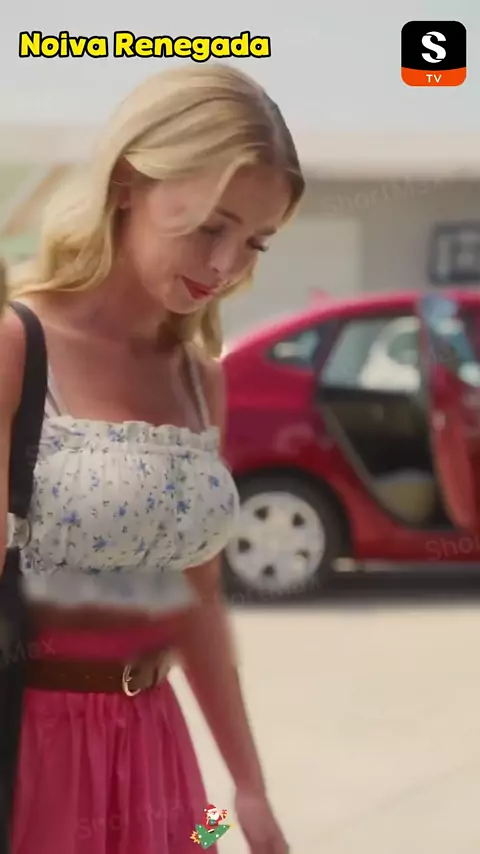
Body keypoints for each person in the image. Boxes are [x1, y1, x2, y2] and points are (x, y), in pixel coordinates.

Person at [0, 61, 305, 854]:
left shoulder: (203, 380)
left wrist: (248, 785)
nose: (226, 265)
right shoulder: (14, 348)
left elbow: (197, 602)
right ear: (129, 183)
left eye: (255, 242)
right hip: (32, 755)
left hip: (160, 750)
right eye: (209, 226)